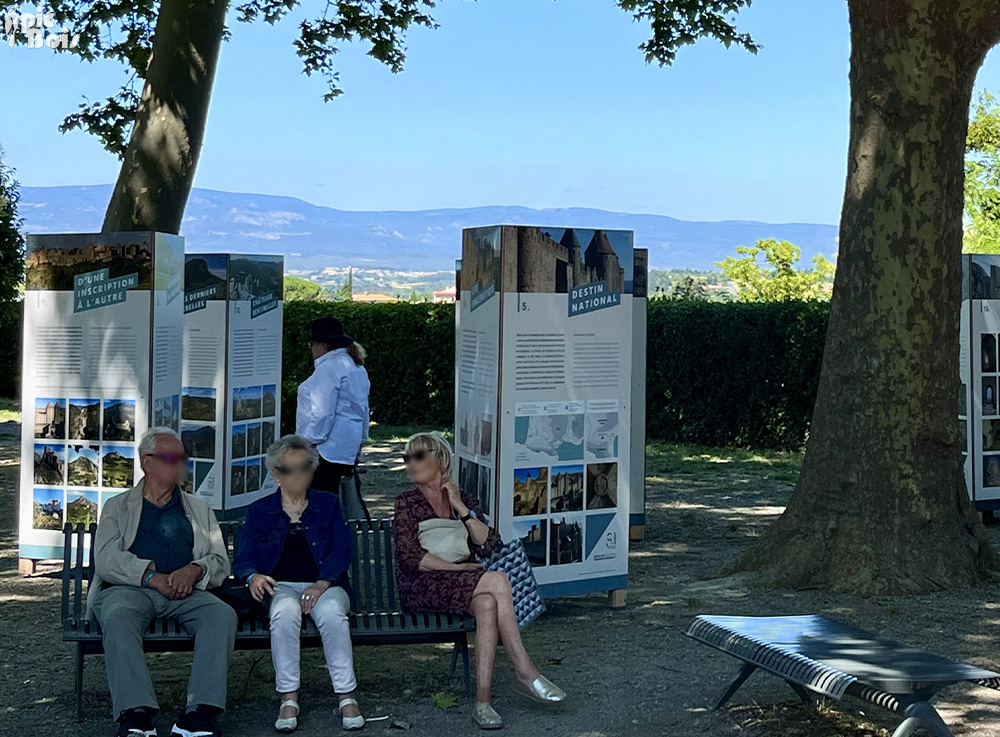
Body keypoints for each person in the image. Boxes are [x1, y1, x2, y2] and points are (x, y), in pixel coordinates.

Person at [392, 432, 566, 730]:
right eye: (407, 458)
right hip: (424, 583)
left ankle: (482, 703)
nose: (411, 463)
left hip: (467, 584)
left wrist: (461, 508)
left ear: (440, 459)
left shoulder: (464, 500)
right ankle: (524, 671)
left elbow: (488, 544)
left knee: (486, 604)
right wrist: (460, 570)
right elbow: (412, 558)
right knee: (497, 580)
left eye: (418, 456)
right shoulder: (407, 502)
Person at [89, 427, 235, 737]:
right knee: (117, 616)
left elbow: (220, 561)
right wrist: (150, 576)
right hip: (130, 589)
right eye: (171, 457)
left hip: (184, 591)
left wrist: (194, 570)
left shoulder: (198, 508)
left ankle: (199, 712)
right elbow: (105, 559)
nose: (180, 464)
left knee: (221, 615)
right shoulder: (117, 506)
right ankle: (135, 714)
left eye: (184, 458)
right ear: (147, 463)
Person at [233, 434, 364, 732]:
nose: (299, 475)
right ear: (276, 474)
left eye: (305, 467)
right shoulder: (258, 511)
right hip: (279, 587)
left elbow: (342, 550)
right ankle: (288, 698)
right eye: (290, 469)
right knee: (284, 612)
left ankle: (347, 696)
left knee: (332, 613)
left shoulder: (328, 504)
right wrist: (252, 576)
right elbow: (242, 559)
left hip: (325, 585)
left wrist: (321, 583)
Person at [295, 317, 371, 513]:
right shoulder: (356, 366)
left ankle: (324, 541)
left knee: (321, 505)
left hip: (326, 449)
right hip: (347, 446)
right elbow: (363, 408)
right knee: (338, 504)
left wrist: (306, 441)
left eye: (312, 344)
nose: (311, 349)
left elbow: (323, 413)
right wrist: (361, 439)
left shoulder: (329, 369)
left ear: (324, 344)